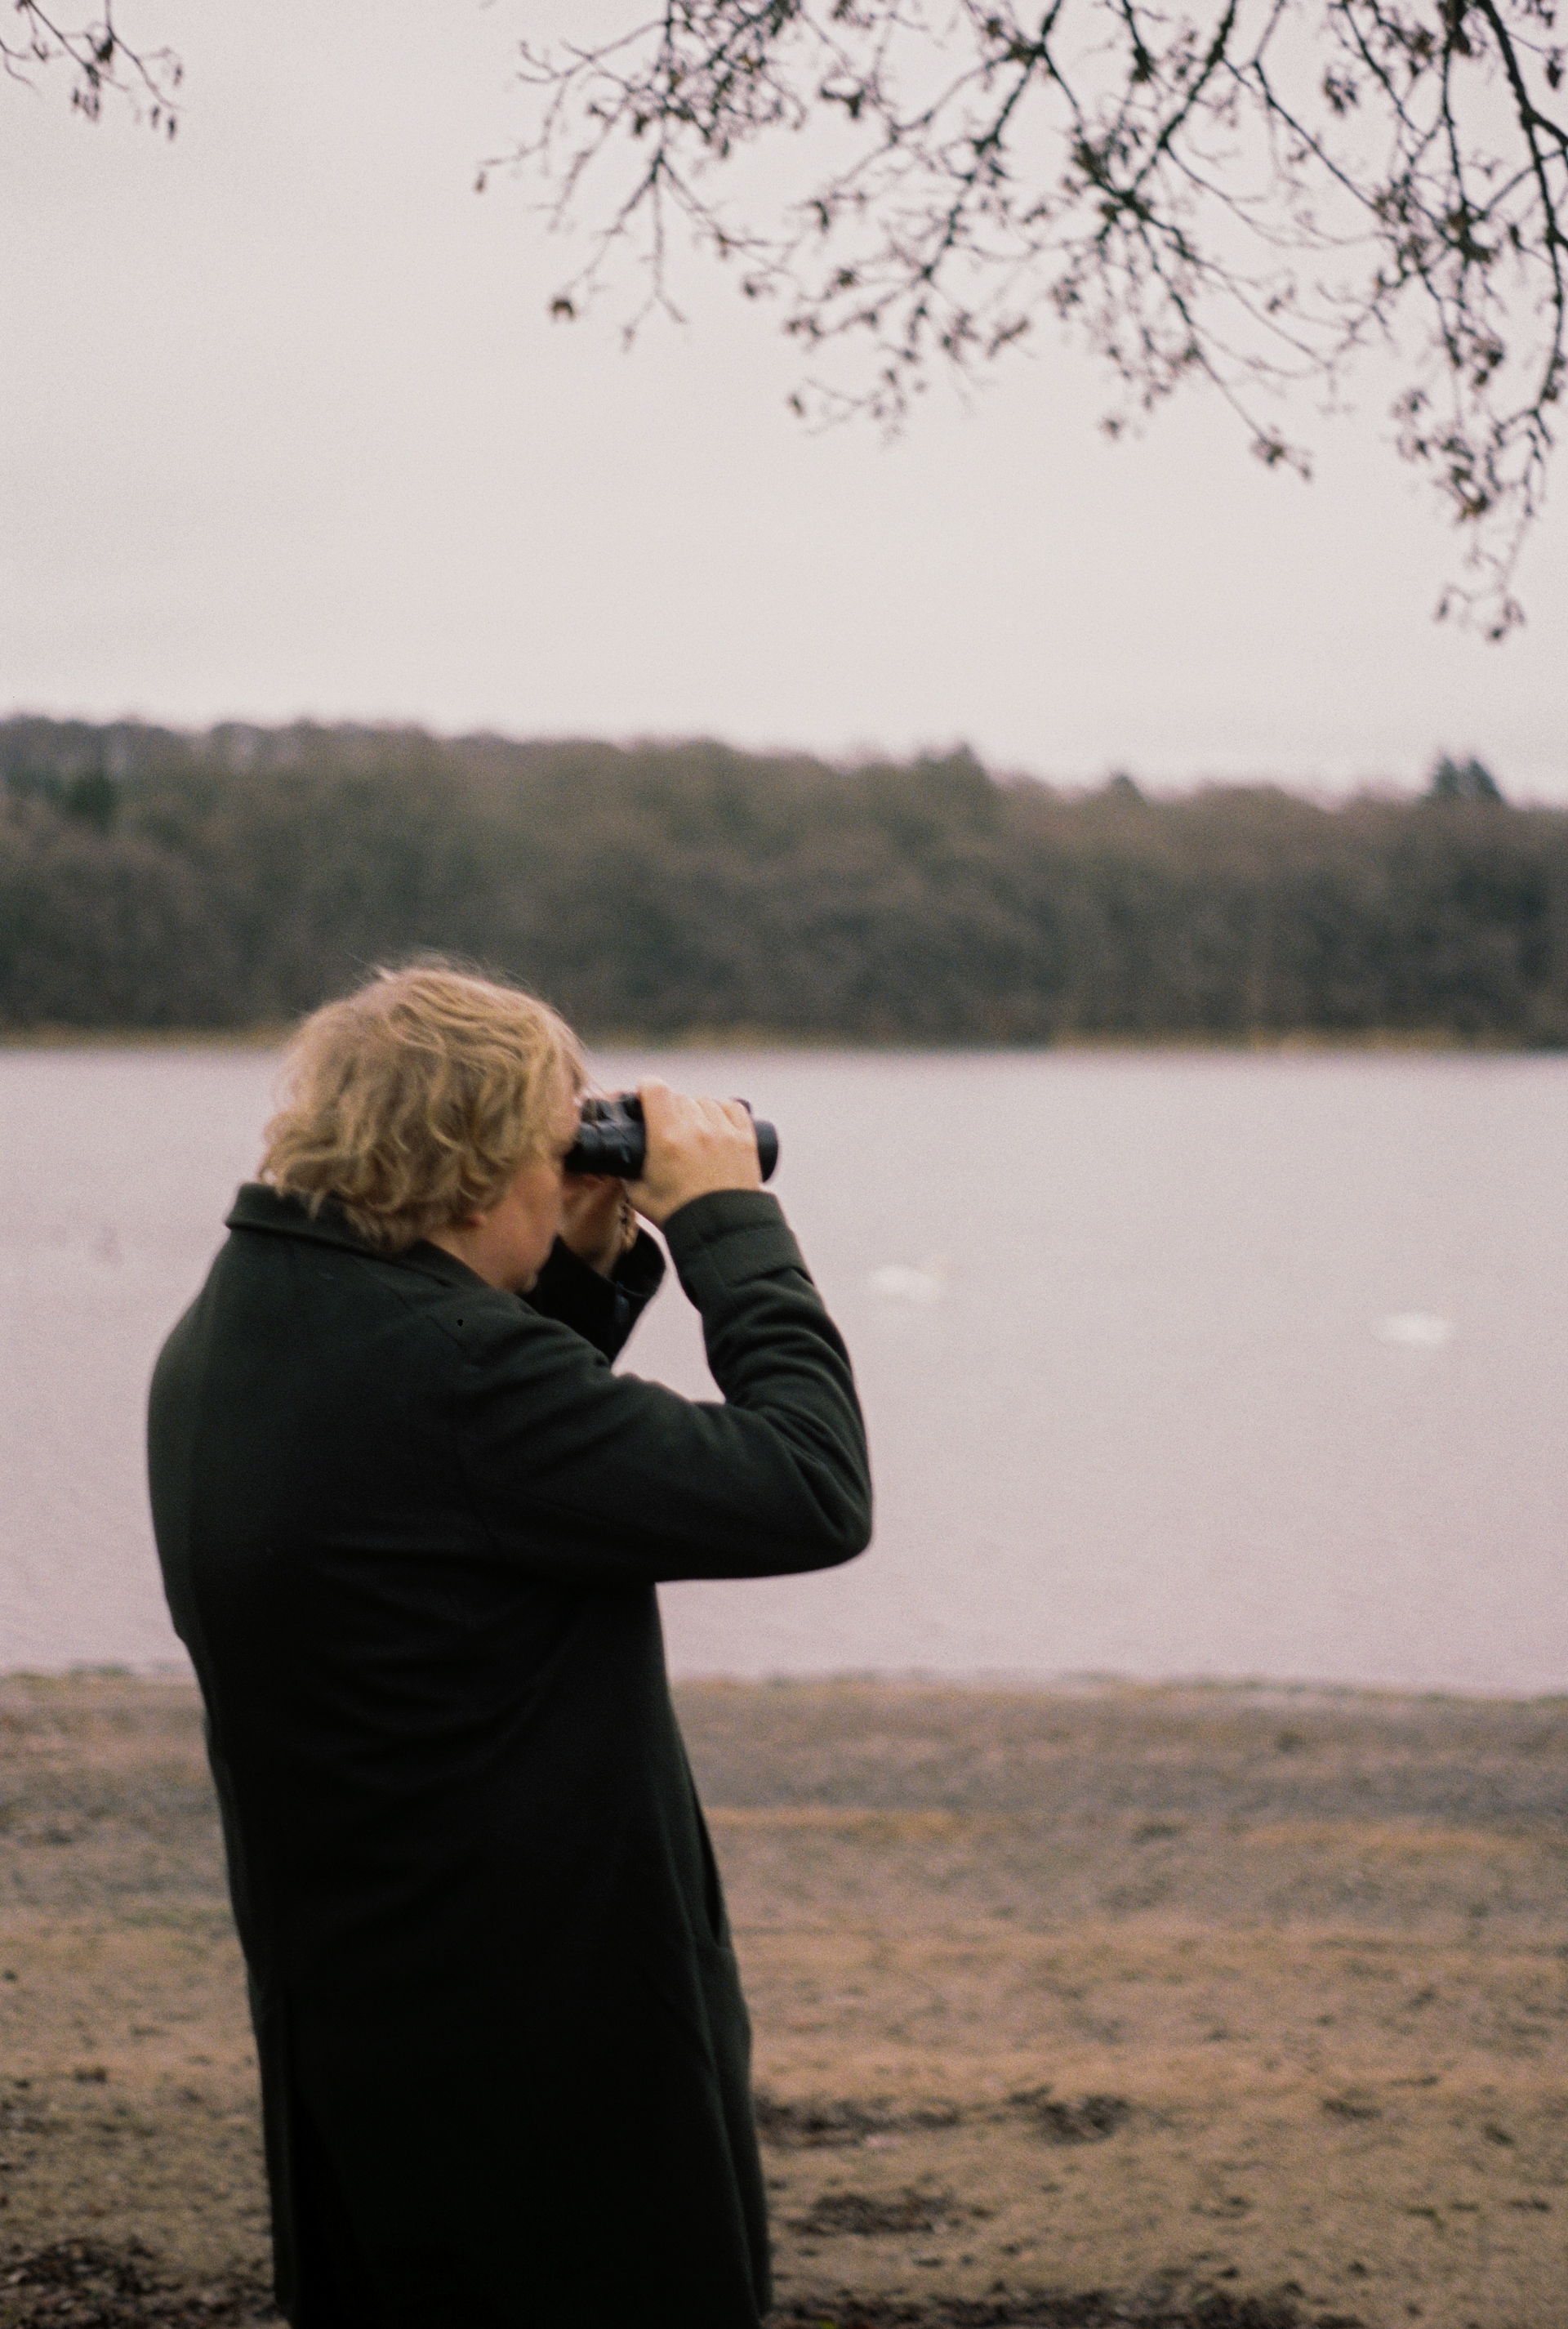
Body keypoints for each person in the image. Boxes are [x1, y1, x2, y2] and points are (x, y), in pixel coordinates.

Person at [145, 963, 871, 2329]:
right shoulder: (455, 1379)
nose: (568, 1176)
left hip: (374, 2002)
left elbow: (476, 1500)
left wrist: (581, 1264)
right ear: (476, 1163)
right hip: (541, 2034)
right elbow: (811, 1487)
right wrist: (729, 1227)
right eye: (557, 1149)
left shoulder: (249, 1318)